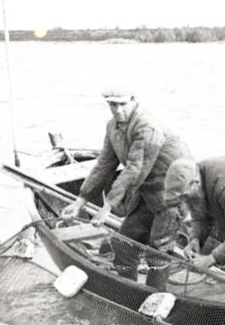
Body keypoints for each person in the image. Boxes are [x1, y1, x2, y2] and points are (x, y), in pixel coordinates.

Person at [61, 88, 192, 282]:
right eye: (113, 104)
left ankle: (155, 294)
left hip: (175, 193)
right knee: (123, 244)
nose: (118, 110)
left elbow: (135, 169)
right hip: (147, 191)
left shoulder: (147, 126)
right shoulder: (112, 127)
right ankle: (127, 288)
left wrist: (108, 206)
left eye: (122, 104)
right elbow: (104, 165)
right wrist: (80, 201)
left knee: (158, 249)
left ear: (133, 100)